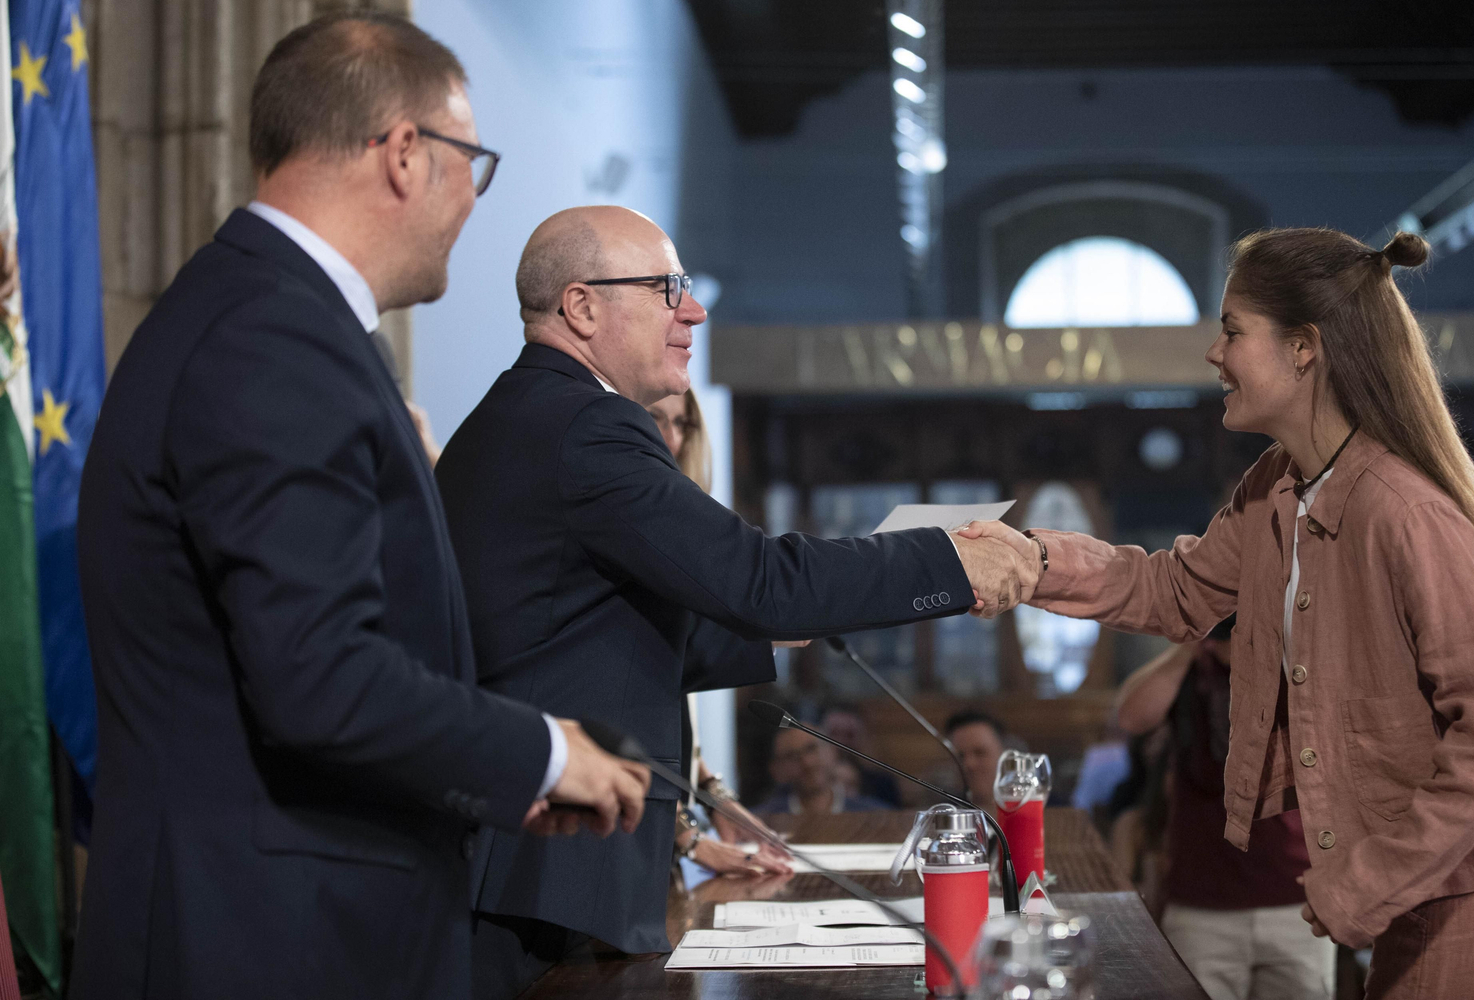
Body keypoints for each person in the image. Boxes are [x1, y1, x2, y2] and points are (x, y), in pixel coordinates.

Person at [70, 13, 648, 1000]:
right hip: (262, 942)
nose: (474, 197)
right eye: (474, 160)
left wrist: (500, 782)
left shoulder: (264, 314)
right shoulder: (273, 337)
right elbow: (321, 675)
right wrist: (544, 753)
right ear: (405, 153)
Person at [434, 205, 1034, 995]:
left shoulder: (527, 415)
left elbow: (587, 630)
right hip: (548, 868)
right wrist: (952, 562)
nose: (694, 309)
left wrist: (784, 622)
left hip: (533, 861)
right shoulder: (587, 425)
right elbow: (760, 581)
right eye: (665, 288)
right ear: (581, 307)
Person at [965, 228, 1474, 999]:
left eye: (1231, 330)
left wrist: (1367, 879)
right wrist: (1029, 561)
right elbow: (1173, 590)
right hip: (1418, 884)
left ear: (1304, 348)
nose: (1214, 354)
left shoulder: (1403, 511)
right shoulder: (1277, 485)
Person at [1117, 617, 1334, 1000]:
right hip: (1202, 903)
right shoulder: (1191, 666)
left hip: (1296, 897)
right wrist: (1192, 639)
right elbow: (1132, 716)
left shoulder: (1296, 662)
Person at [648, 389, 795, 879]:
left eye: (682, 423)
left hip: (662, 834)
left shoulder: (676, 527)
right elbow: (619, 696)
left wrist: (714, 794)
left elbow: (671, 696)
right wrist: (688, 840)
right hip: (618, 836)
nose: (669, 437)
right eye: (653, 419)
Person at [752, 726, 890, 816]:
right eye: (792, 756)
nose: (807, 763)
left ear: (832, 751)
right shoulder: (761, 822)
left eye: (812, 749)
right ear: (777, 770)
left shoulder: (875, 815)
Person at [823, 704, 901, 807]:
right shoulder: (811, 785)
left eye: (849, 735)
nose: (841, 742)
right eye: (834, 734)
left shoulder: (884, 783)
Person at [945, 710, 1008, 807]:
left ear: (1003, 754)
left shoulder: (1029, 809)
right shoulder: (942, 811)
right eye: (960, 756)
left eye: (980, 753)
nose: (969, 764)